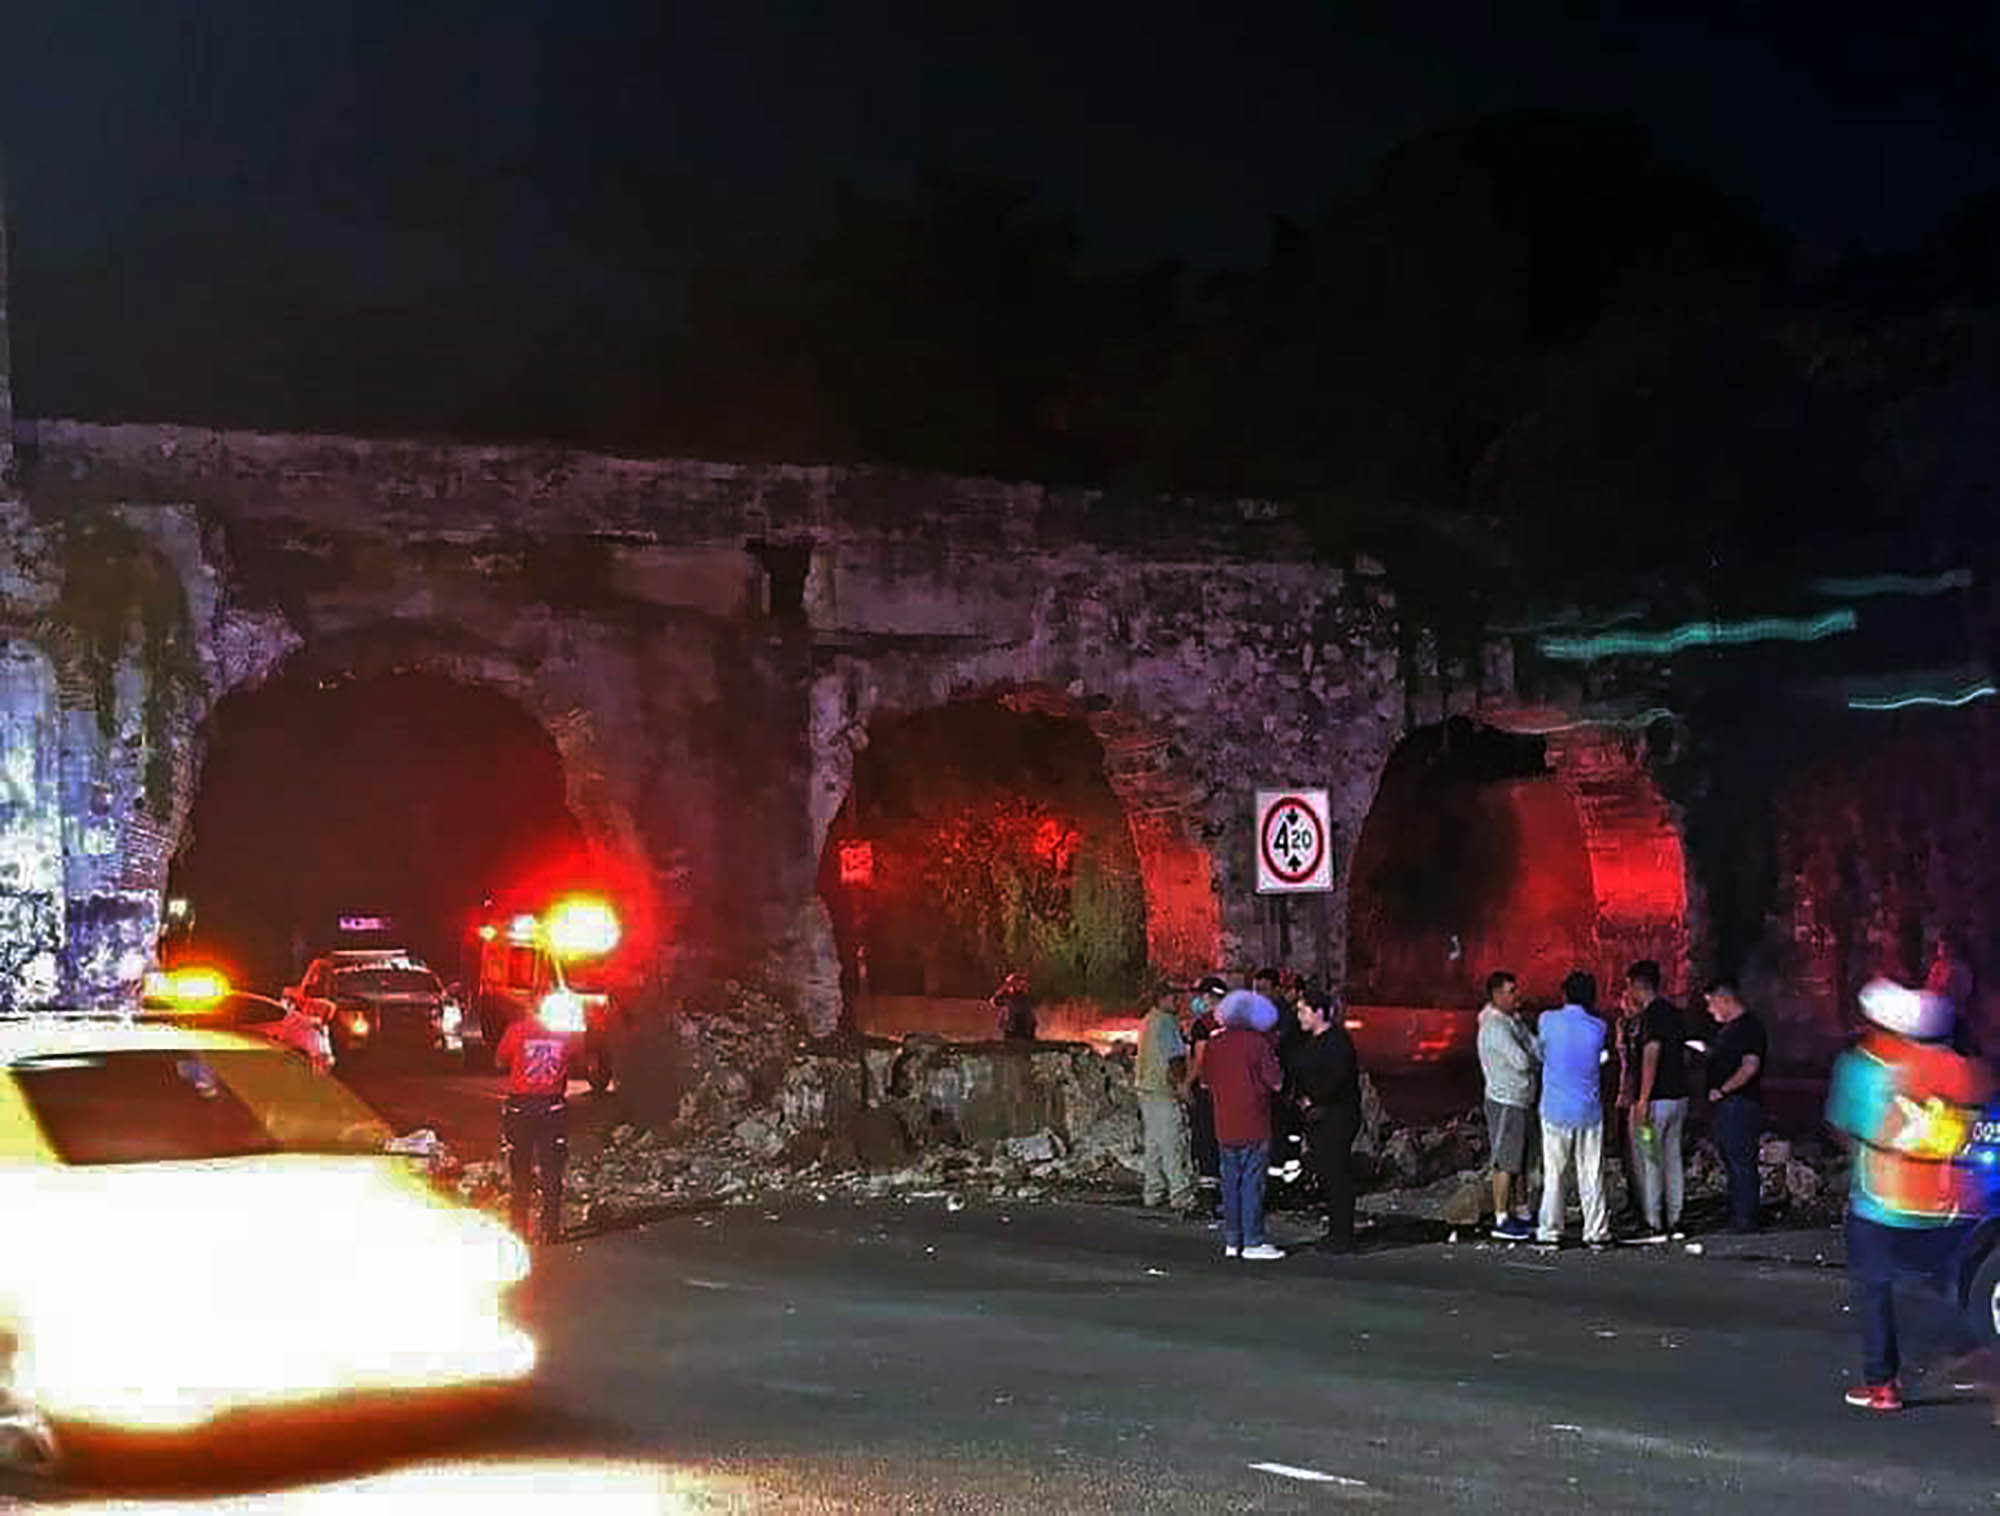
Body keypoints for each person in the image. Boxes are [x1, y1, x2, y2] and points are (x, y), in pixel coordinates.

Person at [1826, 978, 1993, 1413]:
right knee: (1965, 1293)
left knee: (1874, 1291)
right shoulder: (1959, 1068)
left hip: (1883, 1203)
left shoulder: (1865, 1067)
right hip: (1952, 1204)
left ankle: (1883, 1385)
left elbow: (1844, 1126)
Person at [1196, 990, 1287, 1260]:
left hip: (1224, 1122)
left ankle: (1232, 1239)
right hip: (1254, 1123)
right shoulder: (1258, 1044)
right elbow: (1277, 1082)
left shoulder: (1215, 1043)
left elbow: (1205, 1080)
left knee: (1230, 1182)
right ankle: (1253, 1241)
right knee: (1252, 1183)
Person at [494, 995, 580, 1244]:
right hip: (553, 1108)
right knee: (552, 1171)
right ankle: (551, 1230)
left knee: (520, 1171)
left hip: (520, 1109)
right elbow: (575, 1057)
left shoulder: (517, 1030)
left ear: (531, 1009)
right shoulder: (565, 1034)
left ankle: (519, 1229)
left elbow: (499, 1060)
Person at [1535, 969, 1611, 1249]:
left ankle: (1550, 1230)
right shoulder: (1599, 1027)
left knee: (1554, 1173)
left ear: (1564, 993)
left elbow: (1541, 1053)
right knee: (1591, 1172)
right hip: (1588, 1110)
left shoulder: (1547, 1020)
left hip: (1555, 1109)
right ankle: (1596, 1231)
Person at [1287, 984, 1363, 1252]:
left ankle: (1342, 1234)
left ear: (1319, 1012)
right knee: (1327, 1174)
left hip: (1336, 1116)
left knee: (1337, 1173)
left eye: (1303, 1010)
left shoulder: (1337, 1042)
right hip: (1317, 1117)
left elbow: (1338, 1078)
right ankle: (1335, 1229)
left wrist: (1315, 1097)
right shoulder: (1310, 1042)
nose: (1299, 1016)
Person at [1625, 960, 1690, 1243]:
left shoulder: (1651, 1017)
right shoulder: (1674, 1013)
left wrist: (1643, 1099)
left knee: (1650, 1158)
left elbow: (1652, 1053)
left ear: (1637, 986)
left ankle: (1653, 1221)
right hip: (1679, 1098)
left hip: (1657, 1102)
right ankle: (1676, 1218)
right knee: (1673, 1157)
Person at [1476, 970, 1538, 1241]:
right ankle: (1501, 1217)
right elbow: (1523, 1061)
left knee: (1521, 1160)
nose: (1517, 995)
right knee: (1506, 1161)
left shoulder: (1513, 1022)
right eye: (1511, 991)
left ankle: (1522, 1211)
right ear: (1497, 995)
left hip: (1521, 1099)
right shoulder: (1495, 1027)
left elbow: (1536, 1048)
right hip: (1505, 1102)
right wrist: (1533, 1060)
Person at [1704, 979, 1767, 1233]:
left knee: (1741, 1161)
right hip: (1730, 1104)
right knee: (1733, 1159)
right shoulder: (1730, 1030)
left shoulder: (1748, 1029)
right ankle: (1738, 1214)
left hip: (1739, 1104)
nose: (1709, 1010)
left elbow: (1750, 1066)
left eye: (1710, 1003)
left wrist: (1723, 1089)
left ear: (1724, 999)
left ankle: (1745, 1218)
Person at [1135, 982, 1198, 1214]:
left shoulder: (1148, 1020)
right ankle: (1180, 1193)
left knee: (1154, 1143)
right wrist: (1183, 1087)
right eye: (1174, 998)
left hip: (1146, 1089)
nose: (1177, 1002)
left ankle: (1153, 1191)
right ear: (1161, 999)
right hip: (1163, 1090)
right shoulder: (1166, 1022)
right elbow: (1175, 1059)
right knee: (1173, 1142)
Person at [1185, 976, 1227, 1182]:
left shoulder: (1203, 1025)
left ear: (1209, 997)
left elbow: (1200, 1060)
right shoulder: (1236, 1021)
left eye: (1201, 996)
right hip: (1230, 1090)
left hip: (1206, 1090)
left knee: (1206, 1139)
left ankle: (1208, 1190)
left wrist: (1186, 1085)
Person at [992, 972, 1037, 1041]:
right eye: (1016, 983)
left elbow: (1031, 1007)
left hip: (1024, 1024)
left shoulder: (1026, 995)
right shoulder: (1006, 994)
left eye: (1020, 983)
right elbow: (995, 1001)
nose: (1018, 985)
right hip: (1011, 1024)